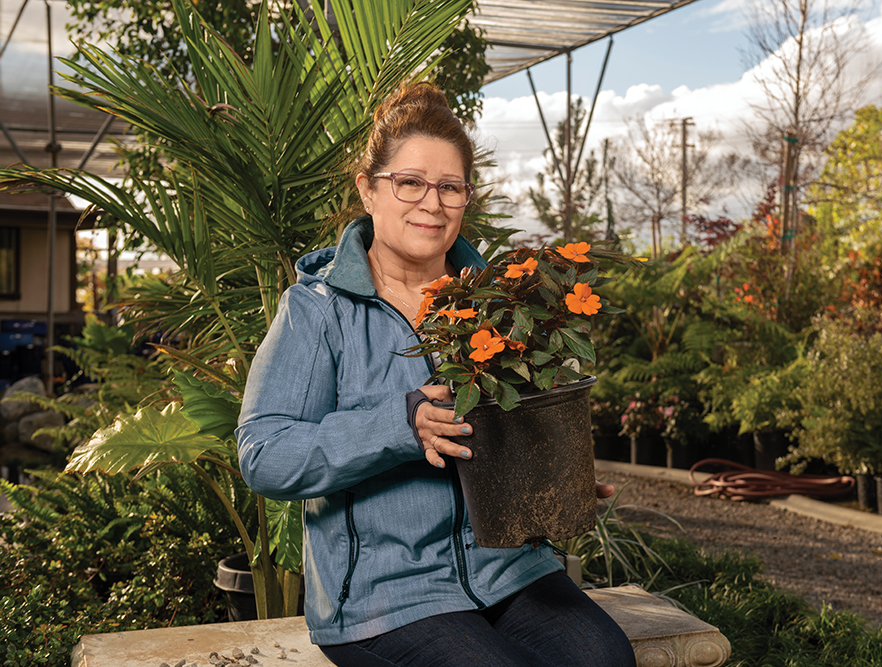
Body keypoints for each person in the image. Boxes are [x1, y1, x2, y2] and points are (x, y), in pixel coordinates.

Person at [236, 82, 636, 667]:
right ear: (368, 190)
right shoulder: (318, 311)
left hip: (505, 568)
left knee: (605, 657)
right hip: (383, 595)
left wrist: (558, 475)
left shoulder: (498, 302)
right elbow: (263, 453)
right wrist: (403, 424)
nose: (432, 202)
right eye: (410, 182)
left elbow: (518, 419)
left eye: (450, 187)